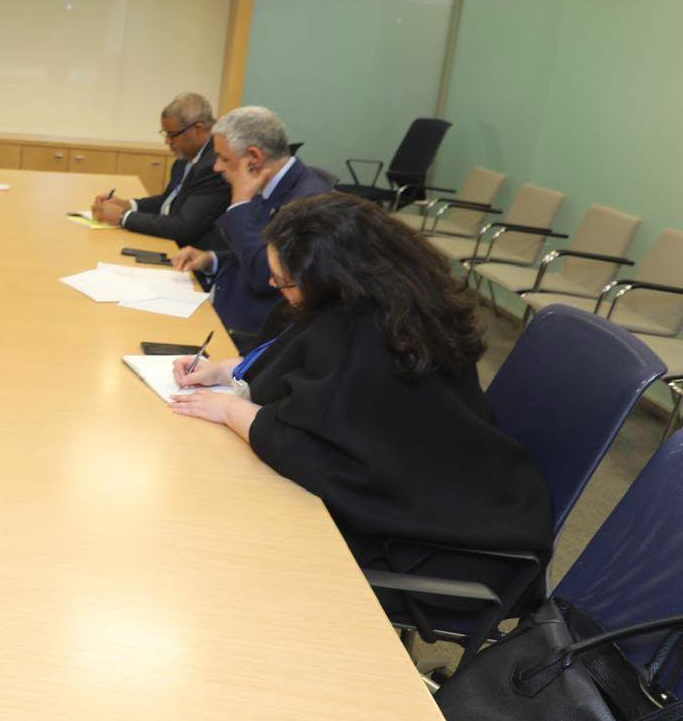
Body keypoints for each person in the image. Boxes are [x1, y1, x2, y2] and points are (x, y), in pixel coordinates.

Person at [166, 192, 553, 595]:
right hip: (471, 490)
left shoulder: (368, 339)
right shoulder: (389, 300)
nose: (273, 286)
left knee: (235, 548)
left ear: (329, 279)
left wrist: (229, 409)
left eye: (284, 281)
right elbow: (293, 364)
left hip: (445, 543)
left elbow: (301, 447)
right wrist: (224, 370)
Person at [168, 106, 333, 341]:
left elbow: (268, 276)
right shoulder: (268, 183)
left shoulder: (308, 201)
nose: (217, 167)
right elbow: (253, 251)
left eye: (224, 158)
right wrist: (211, 259)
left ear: (254, 157)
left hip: (250, 334)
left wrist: (240, 204)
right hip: (221, 310)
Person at [92, 91, 227, 247]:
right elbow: (168, 201)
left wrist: (123, 216)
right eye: (166, 134)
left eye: (172, 134)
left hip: (193, 253)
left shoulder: (214, 166)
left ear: (198, 129)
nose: (167, 141)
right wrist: (128, 205)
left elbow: (184, 227)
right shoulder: (185, 157)